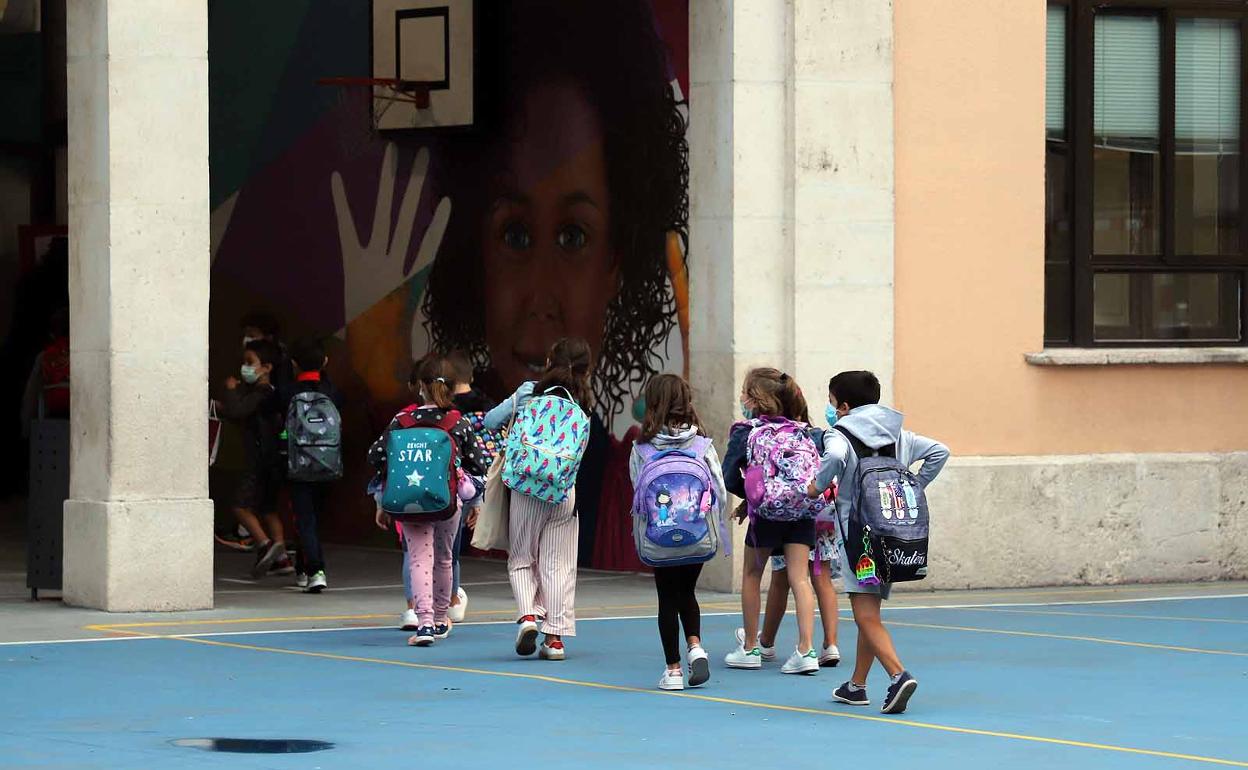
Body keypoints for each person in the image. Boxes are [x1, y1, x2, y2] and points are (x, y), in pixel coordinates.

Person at [419, 1, 691, 563]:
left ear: (615, 265)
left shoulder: (626, 482)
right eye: (516, 236)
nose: (541, 299)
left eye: (572, 237)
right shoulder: (454, 442)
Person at [809, 370, 949, 715]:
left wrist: (815, 486)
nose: (831, 410)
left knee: (865, 614)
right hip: (894, 532)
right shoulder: (899, 434)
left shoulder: (839, 434)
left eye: (831, 402)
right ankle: (856, 686)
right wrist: (912, 486)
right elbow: (939, 452)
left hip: (858, 536)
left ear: (843, 405)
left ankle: (898, 675)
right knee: (870, 612)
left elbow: (836, 458)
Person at [484, 338, 593, 660]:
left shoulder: (528, 394)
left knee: (521, 557)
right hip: (562, 490)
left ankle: (528, 617)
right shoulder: (582, 405)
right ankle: (555, 640)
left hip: (525, 486)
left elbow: (491, 421)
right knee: (558, 564)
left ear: (549, 360)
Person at [370, 355, 490, 645]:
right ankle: (439, 619)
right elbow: (478, 464)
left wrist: (381, 497)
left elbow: (375, 456)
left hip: (410, 501)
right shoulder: (457, 422)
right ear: (452, 387)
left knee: (419, 558)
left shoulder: (402, 421)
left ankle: (423, 623)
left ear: (420, 386)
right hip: (448, 501)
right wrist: (476, 503)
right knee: (445, 559)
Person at [721, 368, 823, 675]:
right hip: (802, 512)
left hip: (765, 514)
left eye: (744, 393)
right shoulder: (808, 432)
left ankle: (751, 646)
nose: (741, 398)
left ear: (754, 400)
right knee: (800, 579)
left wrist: (753, 495)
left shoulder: (746, 431)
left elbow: (728, 476)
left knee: (752, 574)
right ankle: (806, 650)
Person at [629, 374, 727, 691]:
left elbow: (637, 491)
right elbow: (719, 490)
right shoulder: (702, 444)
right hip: (696, 532)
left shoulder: (642, 448)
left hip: (660, 536)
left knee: (667, 597)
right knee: (687, 591)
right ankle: (696, 646)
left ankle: (673, 671)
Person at [750, 395, 841, 668]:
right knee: (821, 579)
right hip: (822, 516)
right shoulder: (818, 437)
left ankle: (766, 641)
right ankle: (830, 643)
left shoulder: (772, 436)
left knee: (782, 576)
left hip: (790, 515)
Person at [217, 339, 290, 578]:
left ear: (267, 367)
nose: (244, 367)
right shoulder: (271, 394)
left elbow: (240, 410)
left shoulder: (261, 393)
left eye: (250, 363)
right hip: (273, 458)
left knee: (239, 505)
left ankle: (264, 544)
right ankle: (281, 559)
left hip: (259, 458)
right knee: (268, 508)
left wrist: (230, 390)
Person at [280, 338, 344, 593]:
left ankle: (315, 569)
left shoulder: (286, 392)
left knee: (303, 519)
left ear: (294, 363)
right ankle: (304, 568)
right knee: (314, 518)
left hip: (298, 466)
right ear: (325, 362)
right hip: (328, 464)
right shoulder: (333, 393)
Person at [446, 348, 498, 622]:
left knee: (443, 545)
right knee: (453, 544)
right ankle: (452, 596)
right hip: (477, 481)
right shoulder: (488, 405)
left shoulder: (446, 410)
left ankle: (447, 596)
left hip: (450, 479)